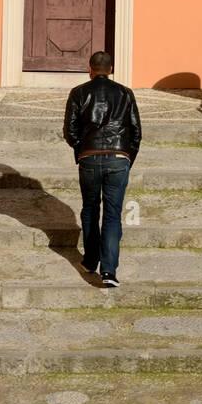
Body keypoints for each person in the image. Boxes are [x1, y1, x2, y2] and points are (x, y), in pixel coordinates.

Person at [63, 51, 141, 287]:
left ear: (90, 69)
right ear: (111, 69)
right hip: (118, 158)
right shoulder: (125, 93)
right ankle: (109, 271)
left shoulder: (78, 92)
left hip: (89, 158)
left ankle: (89, 260)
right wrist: (126, 158)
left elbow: (70, 131)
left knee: (90, 209)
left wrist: (81, 148)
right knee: (112, 215)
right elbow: (136, 132)